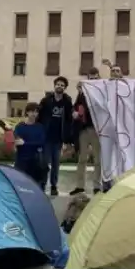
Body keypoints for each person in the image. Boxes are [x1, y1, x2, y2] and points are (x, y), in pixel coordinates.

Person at [38, 76, 74, 196]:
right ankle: (42, 184)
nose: (60, 86)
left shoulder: (67, 102)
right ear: (54, 86)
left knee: (56, 163)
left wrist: (68, 138)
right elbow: (39, 117)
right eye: (58, 84)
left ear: (65, 88)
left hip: (58, 138)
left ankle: (54, 186)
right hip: (46, 137)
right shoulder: (46, 100)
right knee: (44, 163)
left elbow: (69, 120)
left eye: (62, 85)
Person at [71, 67, 102, 195]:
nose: (93, 78)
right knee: (82, 158)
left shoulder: (101, 90)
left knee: (97, 159)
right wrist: (74, 112)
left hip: (96, 129)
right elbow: (76, 106)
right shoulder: (82, 92)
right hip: (83, 128)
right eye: (91, 76)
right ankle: (80, 186)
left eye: (95, 76)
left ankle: (97, 185)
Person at [14, 102, 47, 190]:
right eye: (32, 111)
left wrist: (25, 143)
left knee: (36, 187)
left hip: (35, 162)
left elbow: (41, 143)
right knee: (20, 187)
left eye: (36, 112)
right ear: (27, 112)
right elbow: (18, 142)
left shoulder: (40, 127)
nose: (34, 114)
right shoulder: (20, 127)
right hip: (22, 162)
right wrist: (30, 144)